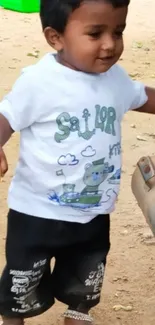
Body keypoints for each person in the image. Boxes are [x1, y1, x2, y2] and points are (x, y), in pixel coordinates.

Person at [0, 0, 155, 324]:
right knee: (20, 286)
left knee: (86, 279)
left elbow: (142, 96)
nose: (110, 44)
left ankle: (77, 314)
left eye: (119, 30)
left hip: (93, 212)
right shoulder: (39, 81)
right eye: (95, 33)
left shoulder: (115, 78)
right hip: (36, 213)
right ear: (55, 37)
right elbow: (7, 116)